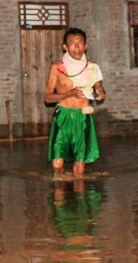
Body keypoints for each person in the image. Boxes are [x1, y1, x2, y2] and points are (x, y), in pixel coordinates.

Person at [44, 27, 105, 179]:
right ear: (65, 46)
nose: (76, 47)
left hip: (82, 117)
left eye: (80, 43)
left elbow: (99, 89)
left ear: (86, 46)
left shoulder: (92, 68)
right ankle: (59, 195)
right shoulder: (57, 68)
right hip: (63, 116)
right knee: (58, 161)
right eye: (72, 43)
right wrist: (69, 93)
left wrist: (100, 93)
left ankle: (80, 196)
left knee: (80, 163)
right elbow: (47, 98)